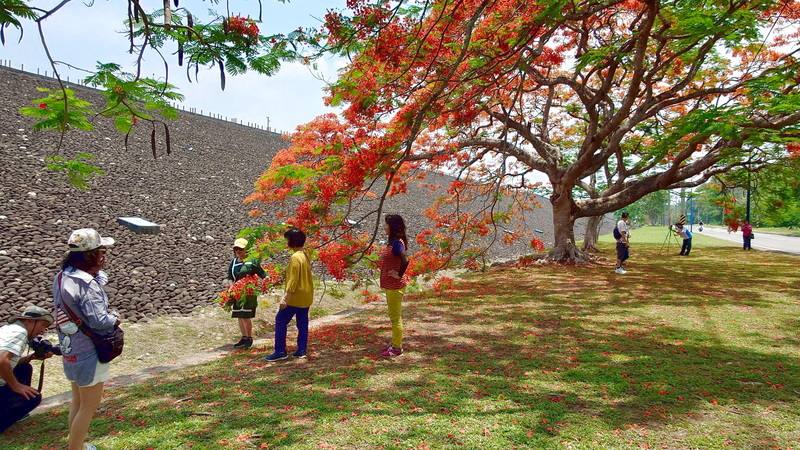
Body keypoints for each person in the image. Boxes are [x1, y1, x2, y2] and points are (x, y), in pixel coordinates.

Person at [53, 228, 119, 450]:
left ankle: (76, 445)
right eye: (101, 251)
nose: (104, 255)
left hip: (70, 348)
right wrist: (115, 318)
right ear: (92, 255)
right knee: (89, 406)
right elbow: (99, 320)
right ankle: (75, 448)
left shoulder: (63, 276)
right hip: (89, 350)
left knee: (78, 401)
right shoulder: (87, 285)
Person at [0, 306, 55, 433]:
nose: (43, 330)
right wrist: (16, 386)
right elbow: (2, 360)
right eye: (43, 324)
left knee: (24, 367)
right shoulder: (20, 332)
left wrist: (31, 357)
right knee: (34, 398)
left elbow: (9, 362)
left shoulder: (8, 329)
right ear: (29, 321)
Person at [265, 228, 314, 362]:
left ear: (292, 241)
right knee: (302, 323)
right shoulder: (305, 255)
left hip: (295, 297)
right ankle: (301, 350)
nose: (286, 242)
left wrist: (284, 298)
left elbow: (293, 280)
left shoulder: (294, 258)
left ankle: (280, 351)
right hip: (306, 296)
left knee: (280, 320)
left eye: (287, 239)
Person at [227, 238, 267, 349]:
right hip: (237, 293)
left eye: (241, 249)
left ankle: (249, 338)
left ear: (246, 249)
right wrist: (231, 287)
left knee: (245, 315)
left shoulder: (252, 261)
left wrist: (266, 283)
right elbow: (230, 277)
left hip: (249, 293)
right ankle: (244, 337)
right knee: (239, 315)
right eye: (236, 249)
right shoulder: (234, 262)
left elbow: (263, 274)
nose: (238, 251)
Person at [379, 214, 410, 357]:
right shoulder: (393, 242)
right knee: (394, 316)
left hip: (395, 286)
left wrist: (398, 274)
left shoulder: (397, 243)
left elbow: (405, 261)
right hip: (391, 285)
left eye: (386, 224)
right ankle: (395, 343)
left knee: (395, 318)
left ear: (392, 227)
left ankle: (397, 348)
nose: (384, 227)